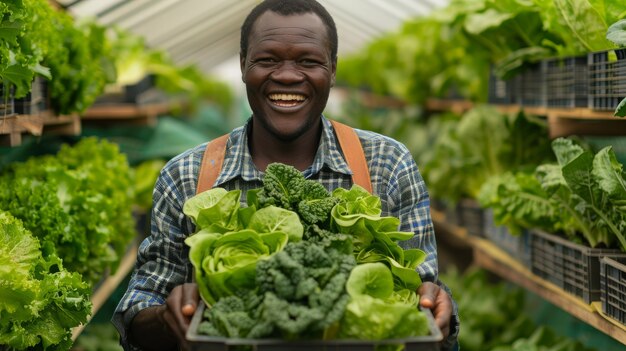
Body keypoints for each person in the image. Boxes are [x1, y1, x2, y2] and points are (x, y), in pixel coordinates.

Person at [113, 0, 460, 350]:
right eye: (267, 60)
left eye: (308, 61)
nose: (288, 76)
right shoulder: (186, 176)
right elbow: (139, 305)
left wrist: (435, 308)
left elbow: (423, 291)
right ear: (243, 65)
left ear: (333, 70)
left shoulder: (387, 163)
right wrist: (164, 318)